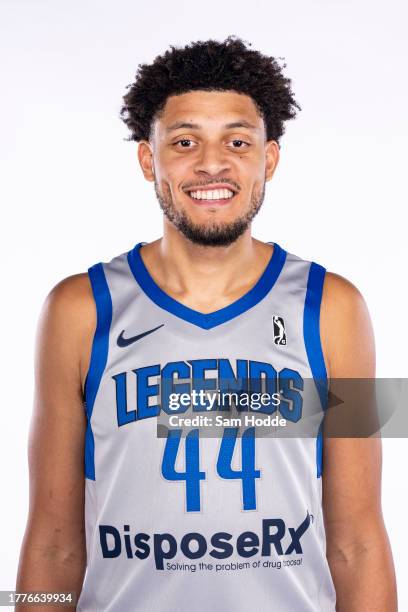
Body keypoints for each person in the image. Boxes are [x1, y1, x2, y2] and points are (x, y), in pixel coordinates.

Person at [16, 36, 397, 611]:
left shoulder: (338, 308)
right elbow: (53, 544)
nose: (212, 163)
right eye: (185, 141)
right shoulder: (77, 309)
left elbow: (360, 542)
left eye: (237, 141)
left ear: (268, 158)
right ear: (150, 160)